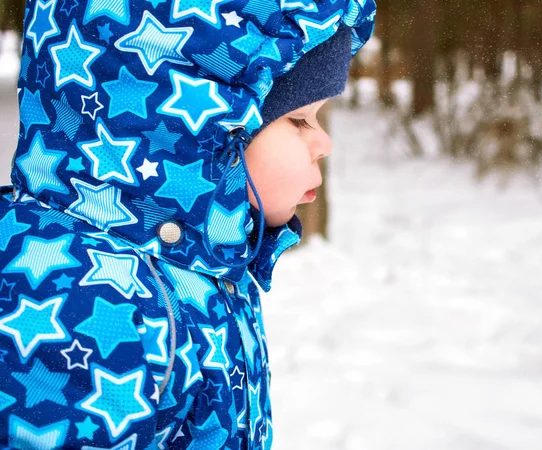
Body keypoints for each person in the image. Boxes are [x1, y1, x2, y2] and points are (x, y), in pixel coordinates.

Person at [0, 0, 376, 448]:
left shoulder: (196, 264)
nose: (324, 142)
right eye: (298, 119)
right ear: (207, 131)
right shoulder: (77, 299)